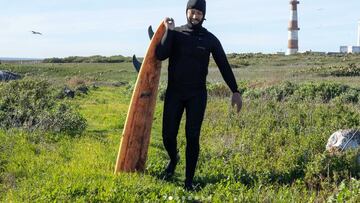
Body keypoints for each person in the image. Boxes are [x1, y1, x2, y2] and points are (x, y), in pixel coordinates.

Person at [155, 0, 242, 190]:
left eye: (199, 13)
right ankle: (173, 158)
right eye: (192, 12)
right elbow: (160, 54)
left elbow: (224, 65)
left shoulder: (210, 39)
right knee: (168, 136)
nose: (195, 16)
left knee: (192, 137)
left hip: (197, 95)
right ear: (186, 12)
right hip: (174, 93)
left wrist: (235, 90)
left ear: (204, 15)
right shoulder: (176, 33)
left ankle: (188, 182)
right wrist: (168, 31)